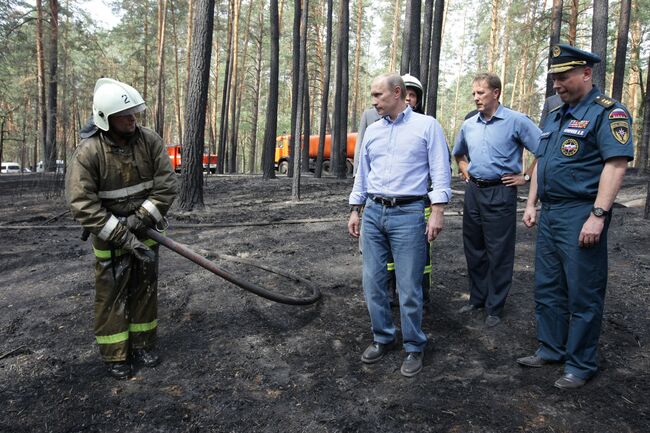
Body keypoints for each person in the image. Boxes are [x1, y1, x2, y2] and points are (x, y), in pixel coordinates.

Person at [517, 44, 634, 389]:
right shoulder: (554, 113)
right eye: (554, 78)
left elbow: (615, 165)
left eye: (563, 77)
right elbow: (542, 161)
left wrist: (598, 214)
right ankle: (551, 347)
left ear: (586, 74)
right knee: (548, 285)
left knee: (584, 291)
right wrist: (531, 202)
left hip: (581, 211)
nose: (557, 85)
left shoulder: (607, 112)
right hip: (551, 213)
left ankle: (581, 363)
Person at [66, 78, 177, 380]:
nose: (132, 119)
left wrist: (140, 220)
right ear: (106, 119)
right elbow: (82, 203)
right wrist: (122, 234)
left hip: (147, 233)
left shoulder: (149, 140)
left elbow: (167, 185)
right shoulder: (88, 153)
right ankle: (116, 354)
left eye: (135, 113)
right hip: (111, 240)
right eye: (125, 115)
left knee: (145, 290)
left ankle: (143, 344)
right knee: (112, 296)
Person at [348, 73, 451, 377]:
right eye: (372, 95)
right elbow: (362, 175)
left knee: (409, 286)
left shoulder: (426, 126)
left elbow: (440, 171)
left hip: (408, 214)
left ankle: (414, 346)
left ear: (398, 93)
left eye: (378, 95)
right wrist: (356, 209)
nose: (374, 101)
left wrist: (438, 210)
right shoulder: (373, 131)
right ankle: (382, 337)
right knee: (373, 282)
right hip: (374, 213)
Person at [452, 72, 541, 328]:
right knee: (474, 247)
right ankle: (477, 298)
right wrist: (465, 169)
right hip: (474, 192)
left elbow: (543, 150)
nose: (476, 98)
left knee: (499, 251)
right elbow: (459, 154)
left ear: (496, 93)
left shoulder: (516, 121)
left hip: (501, 192)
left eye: (481, 92)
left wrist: (525, 176)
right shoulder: (469, 124)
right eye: (474, 93)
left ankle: (495, 306)